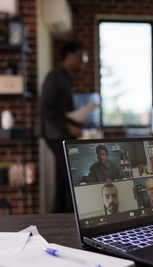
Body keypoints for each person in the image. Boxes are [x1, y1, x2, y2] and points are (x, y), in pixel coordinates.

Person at [39, 42, 87, 213]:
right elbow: (46, 106)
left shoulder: (66, 77)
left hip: (62, 133)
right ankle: (68, 216)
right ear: (70, 56)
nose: (83, 61)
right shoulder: (55, 76)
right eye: (81, 56)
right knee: (68, 177)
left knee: (63, 177)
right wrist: (68, 126)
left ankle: (61, 215)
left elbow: (62, 110)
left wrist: (76, 123)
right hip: (55, 134)